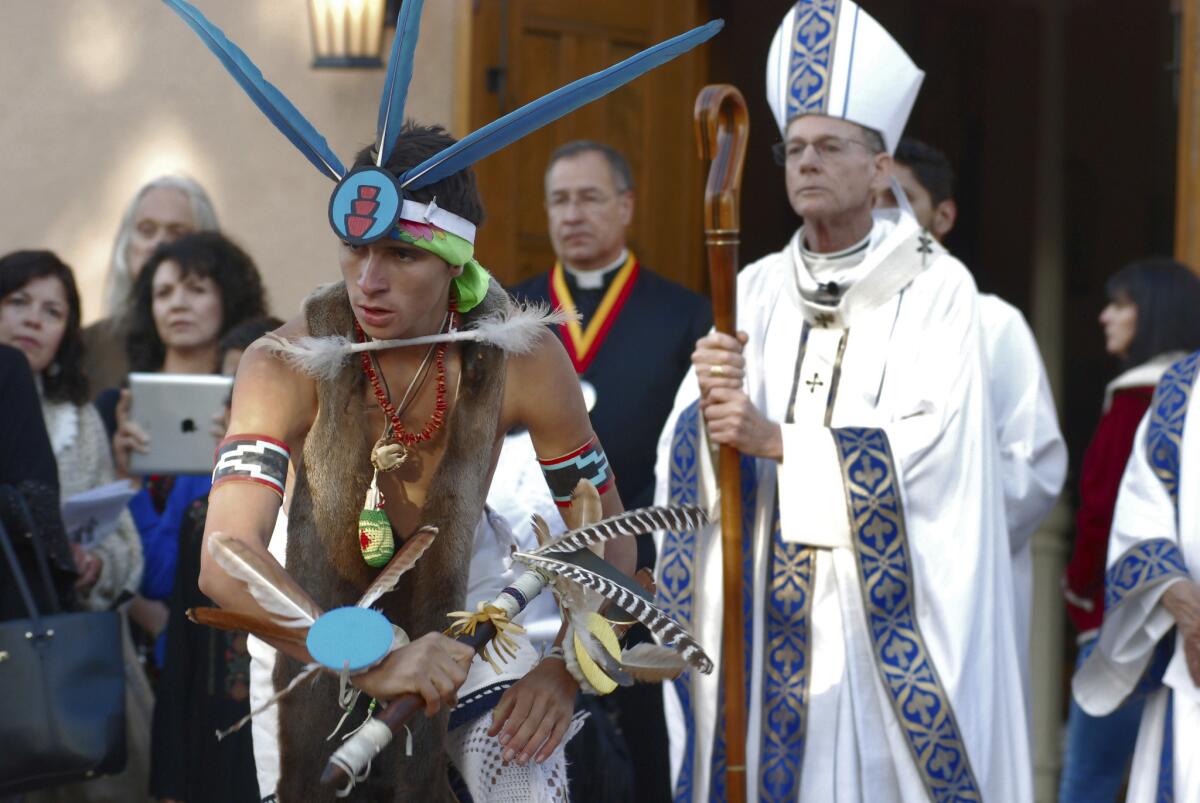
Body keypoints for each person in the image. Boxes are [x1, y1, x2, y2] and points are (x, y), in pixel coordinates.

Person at [158, 2, 718, 798]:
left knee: (517, 767)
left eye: (401, 254)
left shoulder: (521, 358)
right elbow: (224, 558)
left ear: (456, 262)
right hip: (312, 619)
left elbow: (613, 536)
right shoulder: (284, 361)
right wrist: (372, 652)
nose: (368, 280)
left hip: (478, 626)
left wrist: (563, 669)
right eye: (355, 249)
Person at [655, 2, 1031, 800]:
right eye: (794, 149)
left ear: (882, 166)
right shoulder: (752, 287)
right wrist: (704, 413)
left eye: (830, 147)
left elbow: (939, 450)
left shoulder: (938, 289)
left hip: (868, 631)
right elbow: (688, 452)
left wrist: (776, 440)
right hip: (759, 619)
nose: (807, 163)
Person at [510, 140, 711, 802]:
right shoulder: (511, 314)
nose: (573, 214)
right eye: (559, 200)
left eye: (590, 197)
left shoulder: (683, 315)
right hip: (527, 568)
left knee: (648, 748)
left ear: (625, 206)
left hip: (645, 563)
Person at [878, 137, 1067, 716]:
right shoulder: (831, 321)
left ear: (944, 214)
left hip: (957, 592)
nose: (887, 216)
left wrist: (932, 523)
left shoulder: (994, 324)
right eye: (877, 200)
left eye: (903, 199)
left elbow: (1033, 467)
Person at [0, 249, 154, 803]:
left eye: (51, 311)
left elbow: (121, 543)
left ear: (67, 332)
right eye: (17, 302)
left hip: (70, 648)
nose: (32, 320)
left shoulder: (81, 421)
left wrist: (91, 565)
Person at [1061, 259, 1200, 802]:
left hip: (1124, 619)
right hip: (1169, 624)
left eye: (1121, 304)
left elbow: (1099, 513)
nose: (1104, 317)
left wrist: (1079, 594)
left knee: (1088, 781)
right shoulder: (1172, 394)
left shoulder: (1140, 401)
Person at [105, 231, 268, 667]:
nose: (177, 302)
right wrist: (127, 480)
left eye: (196, 289)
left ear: (228, 297)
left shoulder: (263, 396)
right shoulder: (117, 406)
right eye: (163, 292)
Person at [150, 316, 281, 803]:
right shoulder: (202, 515)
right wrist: (168, 782)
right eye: (233, 391)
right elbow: (181, 654)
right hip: (214, 744)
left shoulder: (347, 513)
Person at [81, 175, 219, 397]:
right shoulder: (90, 346)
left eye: (178, 233)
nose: (159, 244)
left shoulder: (244, 347)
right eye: (146, 230)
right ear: (126, 244)